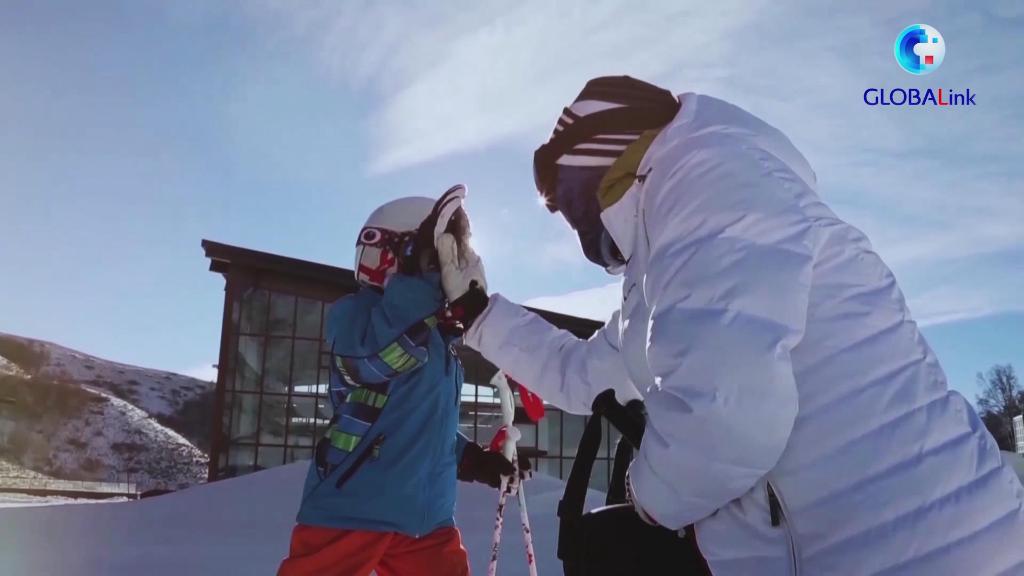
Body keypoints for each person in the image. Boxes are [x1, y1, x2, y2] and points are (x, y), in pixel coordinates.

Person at [442, 76, 1024, 575]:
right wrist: (479, 313)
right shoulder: (666, 255)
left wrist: (646, 497)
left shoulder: (712, 182)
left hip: (918, 551)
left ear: (599, 163)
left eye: (566, 201)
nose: (572, 225)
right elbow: (584, 374)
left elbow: (728, 421)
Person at [278, 189, 525, 576]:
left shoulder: (439, 342)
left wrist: (474, 460)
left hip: (425, 519)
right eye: (439, 258)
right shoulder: (357, 314)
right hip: (354, 506)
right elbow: (373, 361)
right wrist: (416, 282)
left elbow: (421, 424)